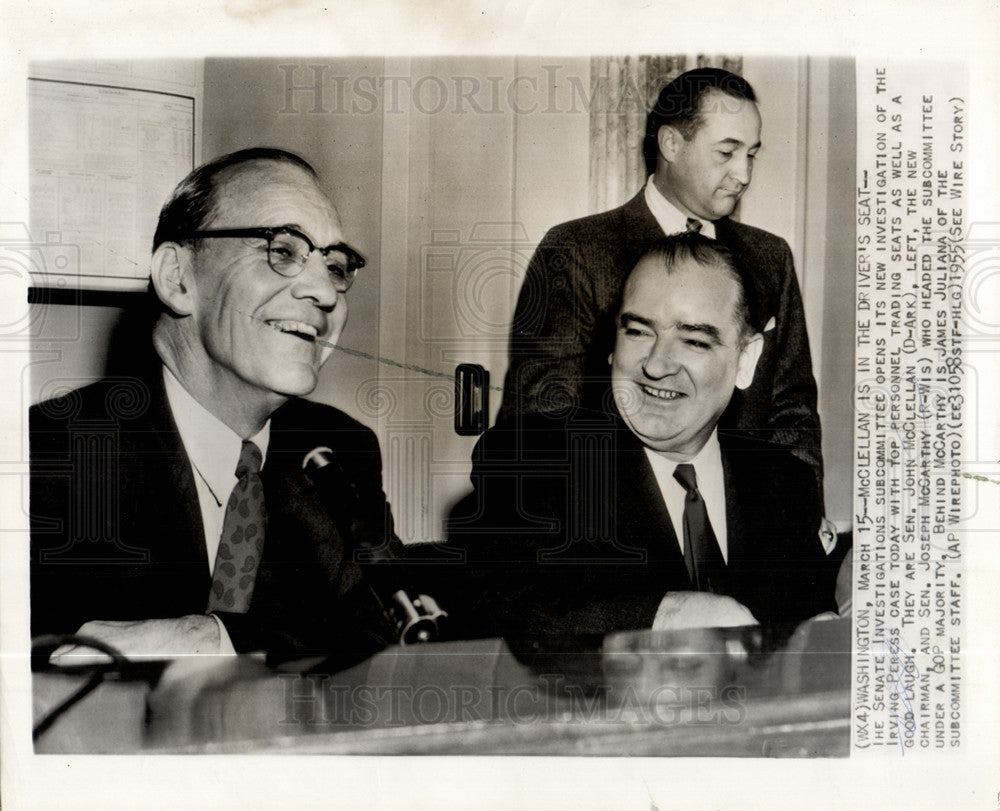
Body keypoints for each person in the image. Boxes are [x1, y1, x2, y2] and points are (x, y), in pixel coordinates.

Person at [30, 148, 400, 669]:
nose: (323, 292)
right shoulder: (45, 455)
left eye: (336, 267)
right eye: (283, 249)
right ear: (178, 277)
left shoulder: (340, 448)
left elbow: (383, 622)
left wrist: (220, 638)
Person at [442, 234, 836, 640]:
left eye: (694, 341)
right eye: (638, 332)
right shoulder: (531, 457)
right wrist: (663, 617)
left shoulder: (783, 481)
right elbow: (494, 610)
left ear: (745, 361)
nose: (656, 365)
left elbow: (806, 622)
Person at [498, 67, 823, 488]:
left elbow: (793, 411)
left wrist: (796, 518)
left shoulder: (770, 257)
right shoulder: (576, 249)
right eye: (726, 153)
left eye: (751, 155)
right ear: (671, 143)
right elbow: (540, 416)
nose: (743, 175)